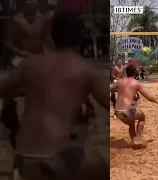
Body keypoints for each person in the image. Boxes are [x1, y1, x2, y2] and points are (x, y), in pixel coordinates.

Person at [0, 11, 109, 180]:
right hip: (57, 160)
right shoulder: (86, 70)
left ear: (51, 35)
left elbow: (4, 90)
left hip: (25, 157)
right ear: (80, 37)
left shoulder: (29, 65)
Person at [110, 65, 158, 147]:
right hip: (128, 112)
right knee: (142, 117)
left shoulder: (120, 82)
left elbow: (109, 89)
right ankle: (138, 138)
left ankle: (134, 141)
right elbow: (148, 97)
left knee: (131, 124)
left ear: (126, 72)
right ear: (135, 73)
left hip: (118, 113)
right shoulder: (136, 83)